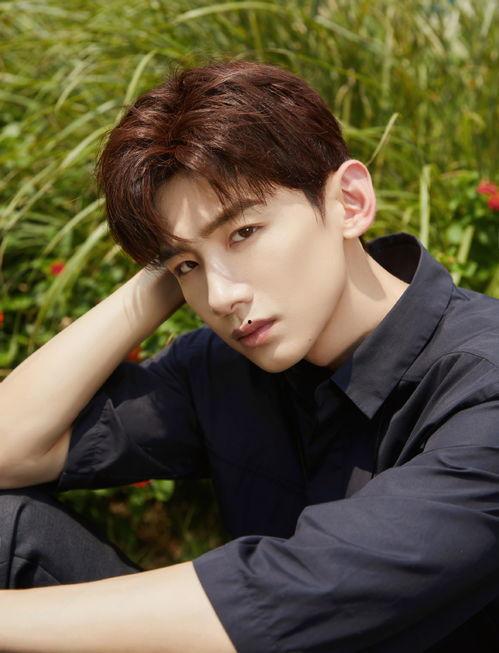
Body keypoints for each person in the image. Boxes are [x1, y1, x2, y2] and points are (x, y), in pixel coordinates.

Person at [0, 58, 498, 653]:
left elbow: (292, 595)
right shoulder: (223, 366)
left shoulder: (484, 385)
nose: (220, 297)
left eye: (244, 233)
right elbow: (9, 450)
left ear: (350, 201)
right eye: (189, 268)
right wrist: (167, 267)